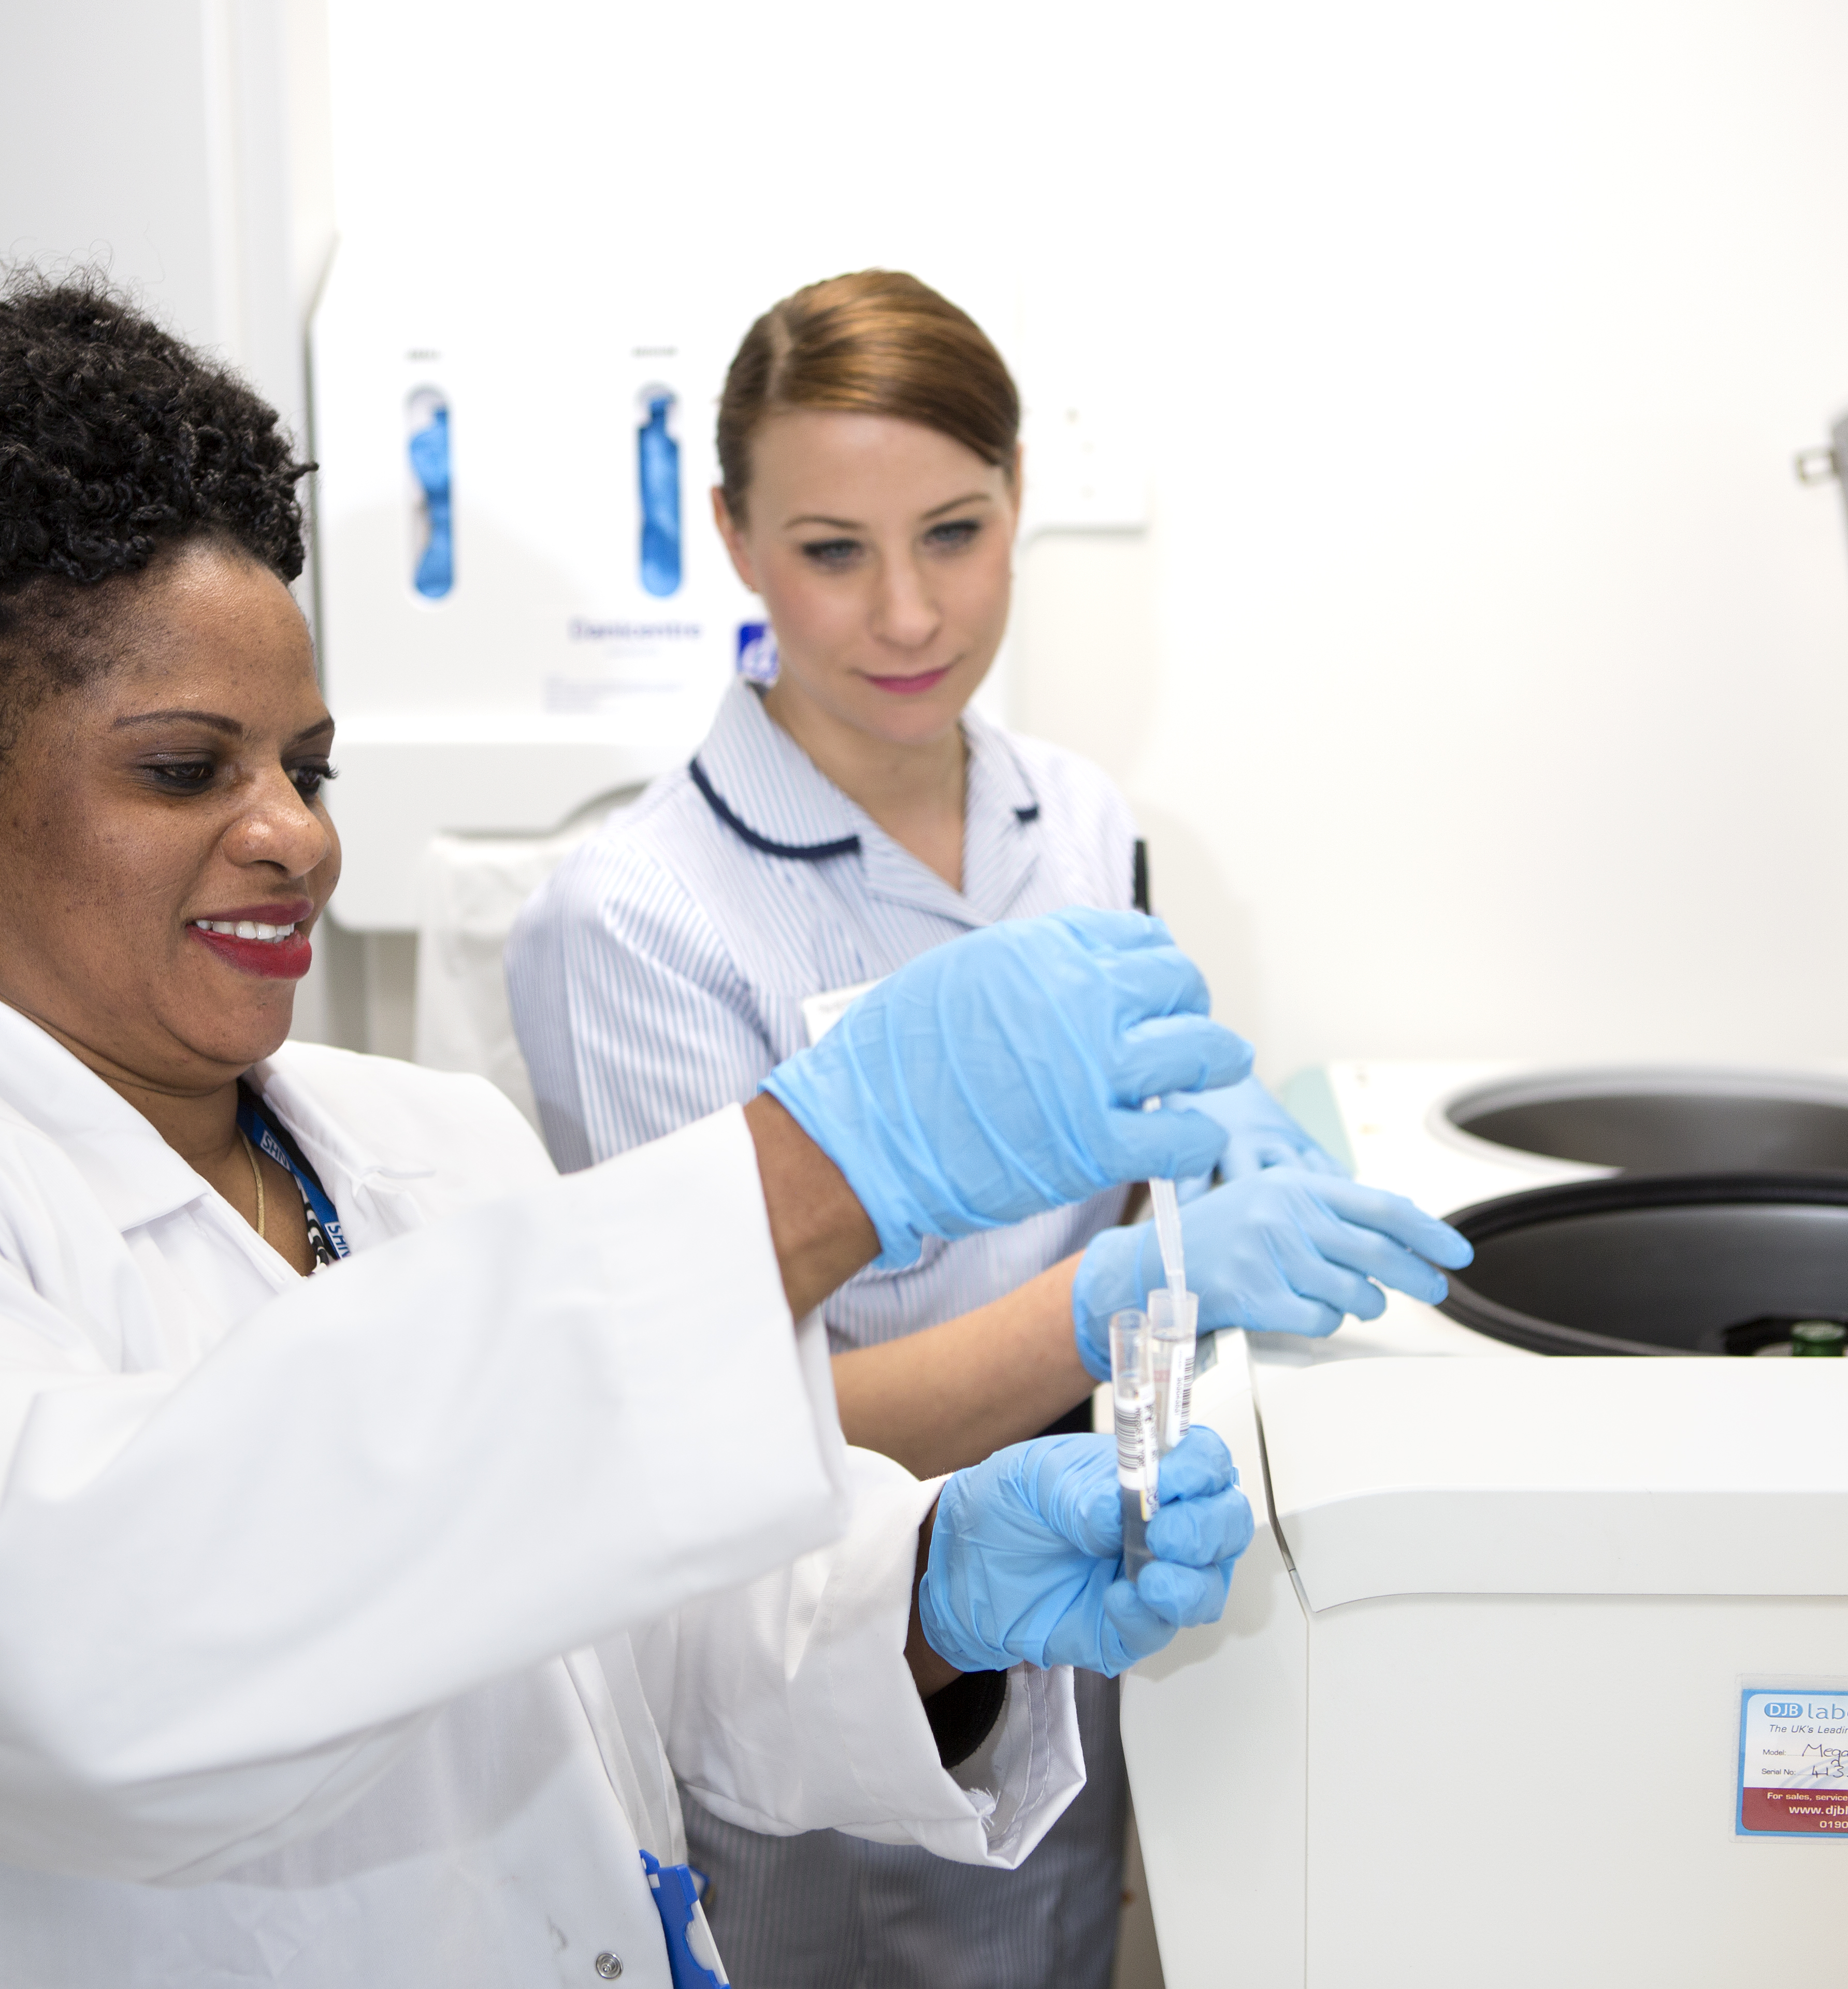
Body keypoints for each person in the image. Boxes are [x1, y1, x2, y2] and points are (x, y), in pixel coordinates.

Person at [0, 282, 1264, 1989]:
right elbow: (94, 1653)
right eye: (188, 771)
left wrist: (930, 1588)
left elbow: (632, 1615)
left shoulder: (424, 1147)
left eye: (308, 769)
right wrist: (814, 1177)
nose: (295, 839)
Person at [507, 270, 1472, 1985]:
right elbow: (723, 1422)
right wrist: (1112, 1299)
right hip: (829, 1697)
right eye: (830, 550)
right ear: (731, 536)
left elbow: (1120, 1145)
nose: (904, 614)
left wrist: (1212, 1123)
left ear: (1020, 498)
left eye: (954, 532)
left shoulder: (1074, 816)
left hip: (1080, 1637)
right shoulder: (637, 918)